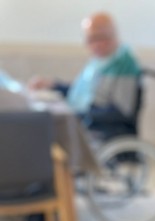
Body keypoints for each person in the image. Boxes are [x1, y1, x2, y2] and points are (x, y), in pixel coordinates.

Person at [29, 12, 142, 140]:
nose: (96, 44)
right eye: (90, 39)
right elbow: (83, 93)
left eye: (100, 37)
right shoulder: (100, 61)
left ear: (113, 35)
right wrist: (53, 85)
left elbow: (121, 111)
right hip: (88, 121)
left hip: (103, 130)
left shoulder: (123, 64)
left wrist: (80, 114)